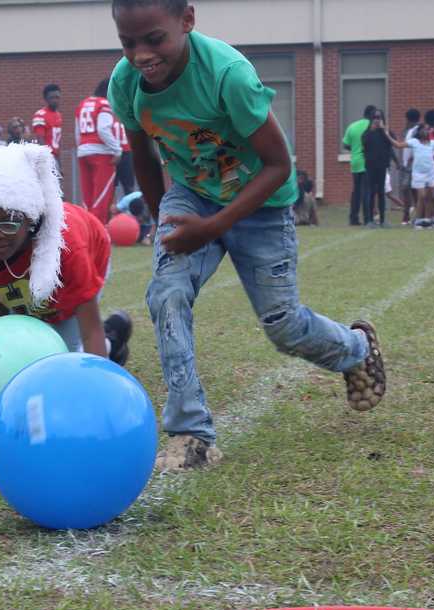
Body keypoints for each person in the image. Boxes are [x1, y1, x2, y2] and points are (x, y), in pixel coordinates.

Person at [109, 0, 387, 471]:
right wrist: (162, 225)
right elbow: (143, 158)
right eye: (128, 42)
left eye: (153, 39)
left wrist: (217, 226)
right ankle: (190, 434)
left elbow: (280, 167)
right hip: (191, 196)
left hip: (260, 205)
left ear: (187, 21)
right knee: (166, 294)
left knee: (284, 326)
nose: (140, 55)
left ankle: (356, 348)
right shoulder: (126, 83)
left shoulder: (227, 75)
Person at [0, 143, 133, 363]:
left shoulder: (69, 249)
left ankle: (112, 340)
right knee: (26, 350)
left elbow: (90, 330)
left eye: (8, 223)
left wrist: (100, 384)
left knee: (63, 358)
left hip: (91, 251)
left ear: (33, 220)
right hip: (28, 278)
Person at [386, 124, 434, 228]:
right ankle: (419, 219)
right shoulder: (414, 142)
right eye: (423, 130)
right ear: (418, 132)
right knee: (422, 196)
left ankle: (430, 219)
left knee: (432, 196)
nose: (426, 132)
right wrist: (387, 135)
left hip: (431, 172)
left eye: (427, 130)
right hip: (419, 173)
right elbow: (398, 145)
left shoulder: (433, 143)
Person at [76, 78, 122, 223]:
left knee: (87, 197)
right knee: (101, 196)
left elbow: (78, 132)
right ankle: (98, 231)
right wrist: (117, 149)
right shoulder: (104, 104)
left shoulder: (82, 104)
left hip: (83, 151)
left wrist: (82, 148)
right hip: (101, 153)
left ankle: (87, 230)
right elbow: (103, 129)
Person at [342, 104, 375, 225]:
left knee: (356, 191)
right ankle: (367, 218)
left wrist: (355, 148)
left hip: (355, 162)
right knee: (367, 191)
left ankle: (353, 218)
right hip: (367, 162)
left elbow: (345, 144)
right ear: (372, 114)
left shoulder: (352, 126)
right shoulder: (372, 126)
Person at [361, 109, 393, 227]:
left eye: (379, 117)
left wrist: (385, 130)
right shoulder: (367, 133)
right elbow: (364, 142)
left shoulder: (385, 132)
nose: (377, 120)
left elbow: (391, 145)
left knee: (381, 192)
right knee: (371, 192)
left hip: (382, 166)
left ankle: (383, 219)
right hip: (370, 167)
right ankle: (369, 219)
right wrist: (372, 129)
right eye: (375, 117)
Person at [397, 108, 420, 225]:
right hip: (408, 164)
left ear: (408, 119)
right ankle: (409, 214)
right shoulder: (410, 131)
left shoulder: (416, 131)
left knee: (408, 189)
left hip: (412, 165)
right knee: (410, 190)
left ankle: (408, 214)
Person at [32, 84, 63, 161]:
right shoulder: (40, 115)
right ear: (46, 99)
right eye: (52, 98)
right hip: (46, 156)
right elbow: (40, 139)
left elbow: (57, 141)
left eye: (57, 97)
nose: (55, 100)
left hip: (55, 156)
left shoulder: (58, 115)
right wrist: (46, 159)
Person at [113, 116, 136, 194]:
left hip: (124, 152)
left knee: (128, 185)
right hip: (116, 153)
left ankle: (130, 203)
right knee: (112, 184)